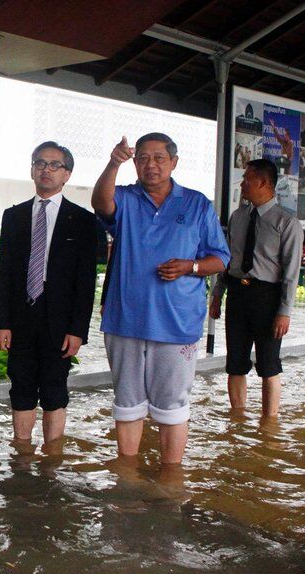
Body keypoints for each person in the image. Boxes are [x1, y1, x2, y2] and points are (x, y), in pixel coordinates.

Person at [91, 133, 230, 465]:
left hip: (177, 322)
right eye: (142, 158)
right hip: (125, 319)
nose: (150, 165)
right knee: (127, 404)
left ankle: (171, 477)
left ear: (174, 162)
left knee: (172, 407)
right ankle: (127, 474)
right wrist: (113, 163)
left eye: (159, 158)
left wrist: (190, 266)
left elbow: (221, 259)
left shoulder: (197, 204)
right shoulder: (125, 197)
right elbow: (100, 204)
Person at [0, 141, 97, 448]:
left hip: (60, 320)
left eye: (54, 165)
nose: (46, 170)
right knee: (21, 385)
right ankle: (22, 452)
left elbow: (86, 281)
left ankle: (53, 457)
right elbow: (4, 272)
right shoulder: (13, 216)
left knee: (54, 388)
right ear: (32, 170)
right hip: (21, 315)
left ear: (67, 174)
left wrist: (78, 330)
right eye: (40, 163)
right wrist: (2, 323)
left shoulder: (83, 220)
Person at [210, 159, 304, 417]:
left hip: (268, 298)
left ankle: (269, 424)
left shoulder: (287, 223)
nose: (242, 184)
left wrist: (284, 311)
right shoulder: (238, 217)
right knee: (235, 363)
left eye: (247, 179)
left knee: (269, 365)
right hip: (237, 294)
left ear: (263, 183)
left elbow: (291, 273)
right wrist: (217, 294)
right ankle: (237, 420)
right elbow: (229, 259)